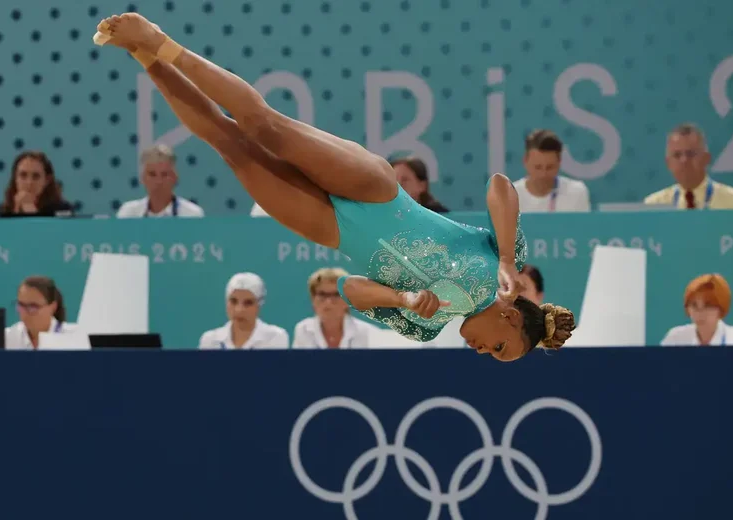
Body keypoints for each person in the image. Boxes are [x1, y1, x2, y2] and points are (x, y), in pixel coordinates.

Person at [95, 14, 575, 362]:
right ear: (511, 318)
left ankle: (143, 54)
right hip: (376, 193)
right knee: (264, 127)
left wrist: (403, 299)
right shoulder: (501, 265)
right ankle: (162, 40)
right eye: (497, 348)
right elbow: (499, 185)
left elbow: (346, 289)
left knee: (229, 144)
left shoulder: (427, 328)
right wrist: (509, 258)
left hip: (331, 229)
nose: (481, 350)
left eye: (489, 355)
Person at [644, 124, 733, 209]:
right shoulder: (654, 205)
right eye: (677, 155)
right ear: (668, 163)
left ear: (706, 159)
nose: (684, 160)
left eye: (690, 154)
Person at [292, 267, 379, 349]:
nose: (328, 302)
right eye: (322, 294)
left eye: (336, 295)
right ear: (313, 299)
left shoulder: (369, 333)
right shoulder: (303, 330)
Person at [198, 272, 289, 350]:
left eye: (248, 303)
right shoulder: (210, 341)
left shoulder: (275, 337)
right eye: (233, 301)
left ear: (259, 305)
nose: (239, 310)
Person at [116, 144, 205, 218]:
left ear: (175, 178)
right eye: (152, 174)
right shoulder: (128, 214)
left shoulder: (192, 215)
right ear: (143, 178)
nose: (159, 181)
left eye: (164, 174)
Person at [512, 130, 591, 213]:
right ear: (525, 161)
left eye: (550, 167)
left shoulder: (577, 192)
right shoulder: (509, 197)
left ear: (559, 162)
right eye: (538, 167)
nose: (543, 174)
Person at [660, 274, 733, 346]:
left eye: (708, 305)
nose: (699, 312)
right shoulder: (675, 339)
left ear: (721, 308)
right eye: (694, 305)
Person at [5, 276, 77, 349]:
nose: (25, 312)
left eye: (33, 306)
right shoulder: (8, 338)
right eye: (21, 305)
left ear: (53, 307)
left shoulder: (74, 337)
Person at [0, 151, 73, 218]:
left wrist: (31, 211)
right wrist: (16, 211)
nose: (29, 182)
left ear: (46, 180)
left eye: (36, 176)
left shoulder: (63, 209)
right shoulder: (4, 209)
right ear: (15, 178)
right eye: (23, 175)